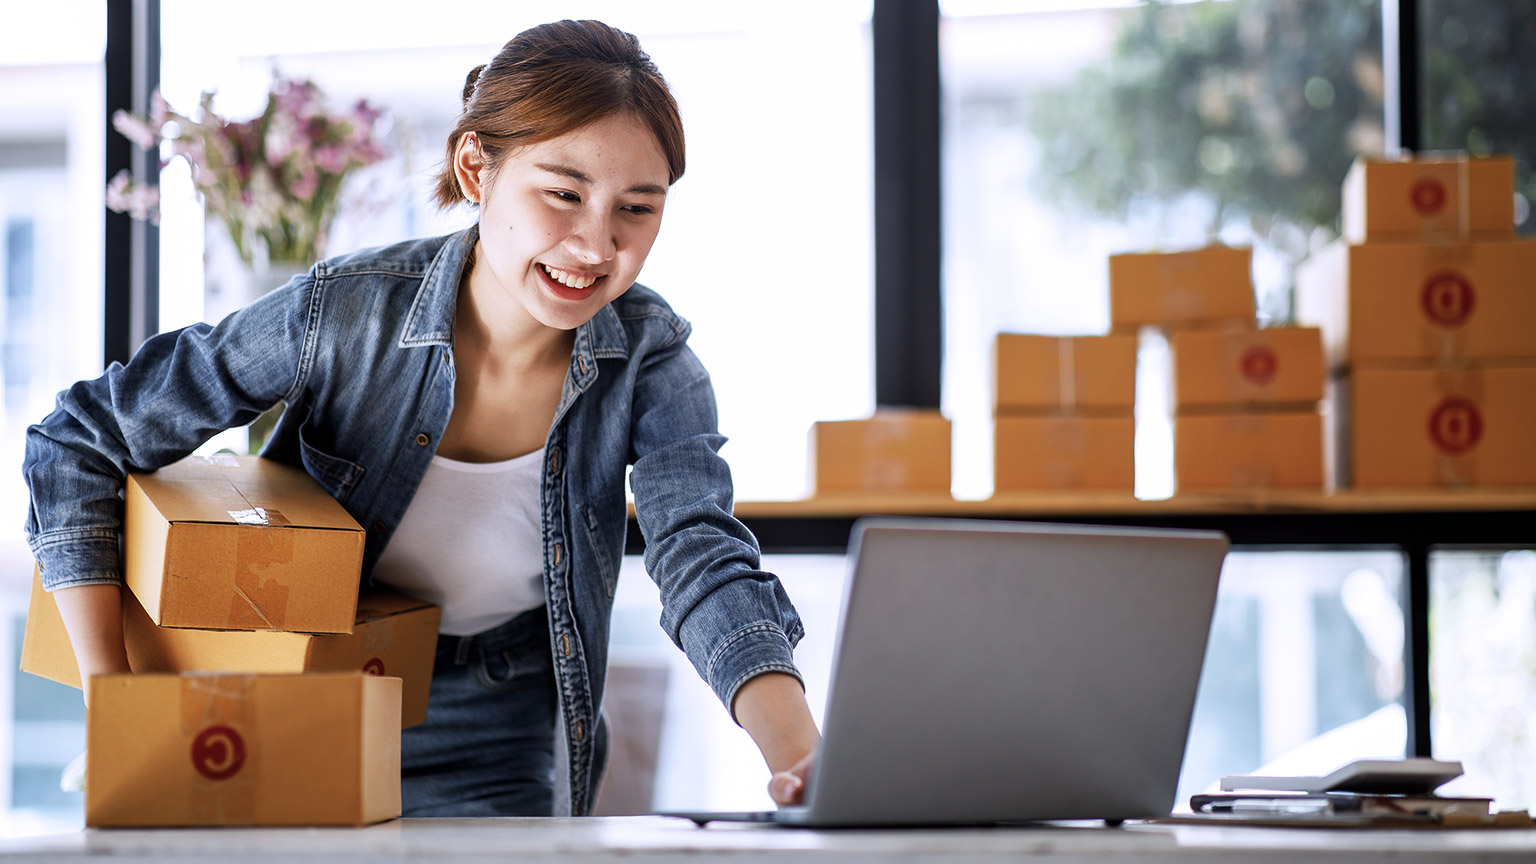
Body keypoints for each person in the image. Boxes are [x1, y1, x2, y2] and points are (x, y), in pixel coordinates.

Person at [23, 19, 819, 817]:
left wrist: (803, 762)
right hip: (305, 698)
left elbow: (703, 560)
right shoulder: (344, 314)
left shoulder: (654, 362)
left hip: (501, 723)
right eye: (564, 194)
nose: (595, 243)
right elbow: (82, 439)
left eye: (636, 210)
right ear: (477, 168)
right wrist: (114, 697)